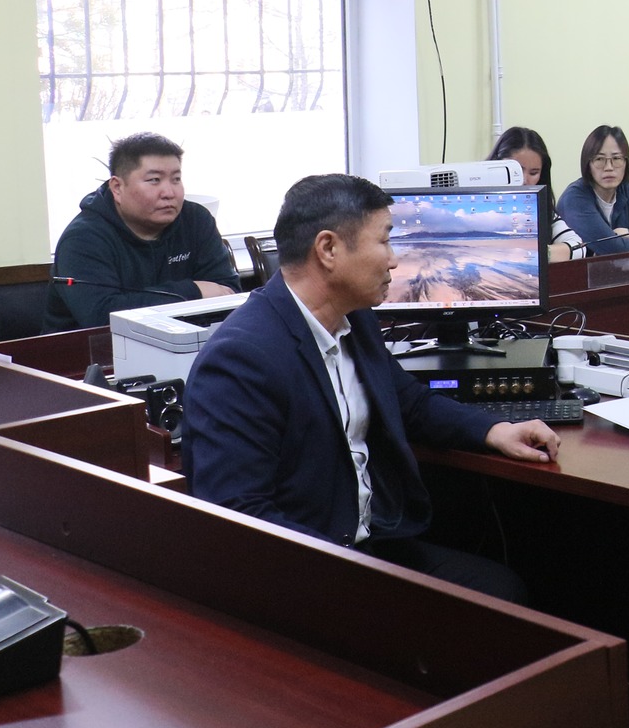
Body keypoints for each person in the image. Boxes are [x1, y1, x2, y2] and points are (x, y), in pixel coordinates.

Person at [183, 175, 558, 602]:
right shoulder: (242, 359)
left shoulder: (354, 318)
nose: (394, 260)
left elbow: (408, 400)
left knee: (505, 588)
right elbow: (238, 514)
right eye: (384, 241)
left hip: (374, 542)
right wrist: (349, 573)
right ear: (328, 249)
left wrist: (494, 430)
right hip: (310, 570)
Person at [46, 131, 240, 330]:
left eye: (176, 179)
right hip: (90, 347)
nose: (169, 192)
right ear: (117, 187)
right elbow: (103, 316)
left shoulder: (196, 220)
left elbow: (229, 293)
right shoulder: (83, 239)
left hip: (189, 341)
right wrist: (193, 291)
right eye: (154, 180)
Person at [488, 126, 585, 262]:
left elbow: (579, 247)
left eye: (533, 173)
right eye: (517, 171)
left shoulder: (541, 210)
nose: (524, 180)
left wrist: (536, 253)